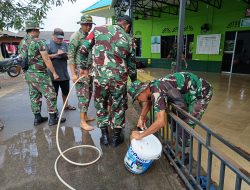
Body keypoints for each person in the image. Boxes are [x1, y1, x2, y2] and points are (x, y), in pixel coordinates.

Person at [80, 15, 137, 147]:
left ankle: (104, 136)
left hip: (100, 79)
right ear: (127, 26)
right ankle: (116, 137)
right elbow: (132, 65)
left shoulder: (97, 30)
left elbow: (83, 49)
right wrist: (134, 80)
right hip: (119, 80)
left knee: (101, 105)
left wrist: (84, 68)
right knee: (119, 106)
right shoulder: (129, 39)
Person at [128, 72, 213, 141]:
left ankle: (184, 154)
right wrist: (142, 117)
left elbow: (161, 122)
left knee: (187, 124)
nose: (138, 101)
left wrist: (141, 135)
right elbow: (149, 101)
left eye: (137, 98)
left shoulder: (157, 92)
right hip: (189, 92)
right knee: (177, 120)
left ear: (141, 92)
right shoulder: (152, 87)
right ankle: (178, 145)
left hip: (202, 92)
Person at [18, 20, 66, 126]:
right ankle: (53, 118)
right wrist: (54, 73)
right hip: (39, 74)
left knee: (34, 95)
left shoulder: (22, 42)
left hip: (28, 74)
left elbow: (21, 59)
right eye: (38, 30)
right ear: (34, 30)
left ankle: (37, 118)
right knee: (51, 94)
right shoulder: (38, 41)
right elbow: (46, 59)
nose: (39, 32)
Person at [68, 15, 95, 131]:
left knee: (88, 94)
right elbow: (71, 56)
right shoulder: (76, 37)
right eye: (86, 25)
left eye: (90, 25)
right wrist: (73, 74)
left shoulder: (88, 36)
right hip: (80, 70)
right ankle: (82, 122)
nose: (89, 27)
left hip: (89, 69)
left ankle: (85, 116)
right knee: (83, 96)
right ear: (81, 24)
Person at [46, 28, 76, 111]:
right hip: (53, 73)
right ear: (53, 36)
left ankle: (66, 105)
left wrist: (64, 55)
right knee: (53, 93)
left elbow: (69, 55)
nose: (60, 40)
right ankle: (54, 110)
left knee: (65, 91)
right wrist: (56, 55)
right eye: (58, 38)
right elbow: (45, 57)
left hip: (64, 73)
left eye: (61, 38)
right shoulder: (48, 44)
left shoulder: (65, 44)